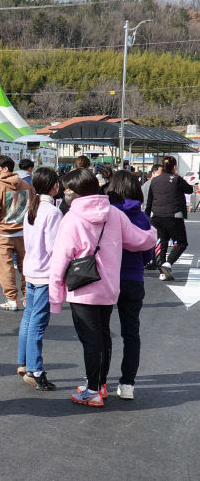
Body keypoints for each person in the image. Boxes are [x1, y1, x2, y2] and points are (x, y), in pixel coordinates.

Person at [49, 168, 156, 407]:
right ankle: (99, 385)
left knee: (91, 340)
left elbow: (60, 260)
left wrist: (55, 297)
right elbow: (139, 240)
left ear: (76, 191)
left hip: (83, 287)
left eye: (67, 189)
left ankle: (94, 389)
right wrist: (153, 232)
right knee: (103, 336)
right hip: (109, 286)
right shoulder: (114, 214)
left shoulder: (72, 218)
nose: (65, 193)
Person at [106, 170, 154, 400]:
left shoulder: (108, 213)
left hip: (107, 278)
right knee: (131, 334)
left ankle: (98, 382)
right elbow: (147, 254)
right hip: (133, 278)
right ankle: (127, 385)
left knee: (102, 332)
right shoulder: (142, 217)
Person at [18, 167, 61, 391]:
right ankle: (35, 370)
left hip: (31, 269)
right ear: (53, 185)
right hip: (45, 272)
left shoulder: (32, 208)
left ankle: (25, 363)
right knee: (38, 322)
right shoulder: (52, 212)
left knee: (28, 318)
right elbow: (55, 247)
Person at [0, 155, 34, 311]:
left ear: (5, 168)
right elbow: (33, 209)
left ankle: (11, 299)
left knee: (5, 268)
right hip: (23, 233)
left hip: (3, 233)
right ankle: (28, 296)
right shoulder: (27, 186)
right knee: (25, 266)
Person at [145, 155, 193, 281]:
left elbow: (149, 201)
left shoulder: (154, 180)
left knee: (162, 242)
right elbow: (189, 190)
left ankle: (162, 272)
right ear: (174, 167)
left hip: (156, 216)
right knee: (181, 242)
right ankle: (168, 263)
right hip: (173, 215)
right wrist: (178, 176)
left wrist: (146, 217)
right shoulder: (176, 179)